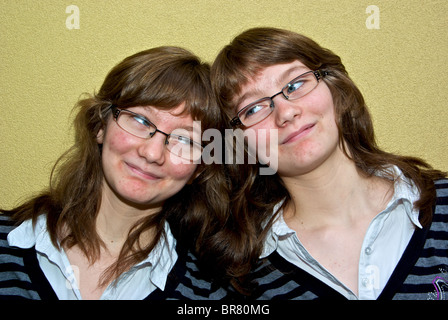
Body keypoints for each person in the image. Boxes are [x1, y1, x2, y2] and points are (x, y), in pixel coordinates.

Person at [210, 27, 448, 300]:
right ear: (239, 142)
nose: (285, 113)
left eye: (295, 84)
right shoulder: (242, 279)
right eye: (253, 109)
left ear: (335, 87)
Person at [0, 46, 230, 300]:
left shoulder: (209, 295)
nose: (153, 153)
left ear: (199, 168)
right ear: (101, 125)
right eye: (141, 121)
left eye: (185, 140)